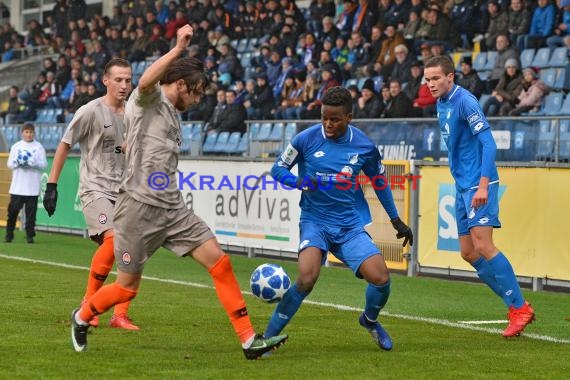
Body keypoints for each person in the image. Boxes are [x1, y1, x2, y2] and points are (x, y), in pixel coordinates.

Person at [67, 25, 288, 359]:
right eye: (196, 92)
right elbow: (144, 82)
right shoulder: (150, 100)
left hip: (172, 209)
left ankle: (248, 341)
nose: (198, 100)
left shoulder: (173, 116)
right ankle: (83, 316)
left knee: (221, 263)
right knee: (127, 286)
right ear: (181, 84)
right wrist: (178, 47)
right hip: (137, 210)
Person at [263, 86, 413, 351]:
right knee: (307, 278)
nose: (328, 124)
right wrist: (298, 182)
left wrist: (396, 220)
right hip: (315, 221)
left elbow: (379, 183)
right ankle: (266, 338)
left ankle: (369, 320)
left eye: (334, 119)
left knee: (381, 278)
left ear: (349, 117)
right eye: (324, 118)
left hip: (348, 226)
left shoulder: (364, 146)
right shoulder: (305, 140)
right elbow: (277, 169)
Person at [423, 55, 535, 338]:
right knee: (469, 252)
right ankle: (517, 304)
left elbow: (488, 142)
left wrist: (483, 185)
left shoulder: (466, 102)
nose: (431, 84)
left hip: (478, 183)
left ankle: (519, 307)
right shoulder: (440, 103)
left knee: (484, 245)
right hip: (462, 184)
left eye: (436, 78)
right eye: (428, 79)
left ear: (451, 77)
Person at [43, 58, 139, 331]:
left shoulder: (134, 112)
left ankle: (119, 315)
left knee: (131, 251)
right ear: (105, 80)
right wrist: (52, 185)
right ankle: (89, 305)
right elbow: (64, 145)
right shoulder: (89, 111)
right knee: (113, 241)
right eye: (118, 80)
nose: (124, 85)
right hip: (95, 188)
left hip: (125, 191)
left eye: (128, 80)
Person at [5, 123, 47, 244]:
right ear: (22, 133)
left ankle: (29, 235)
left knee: (31, 215)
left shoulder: (38, 147)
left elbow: (44, 164)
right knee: (12, 212)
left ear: (34, 133)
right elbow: (9, 164)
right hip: (17, 188)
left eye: (31, 132)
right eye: (26, 132)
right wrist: (17, 163)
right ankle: (9, 234)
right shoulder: (16, 146)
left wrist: (32, 164)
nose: (29, 134)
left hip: (32, 188)